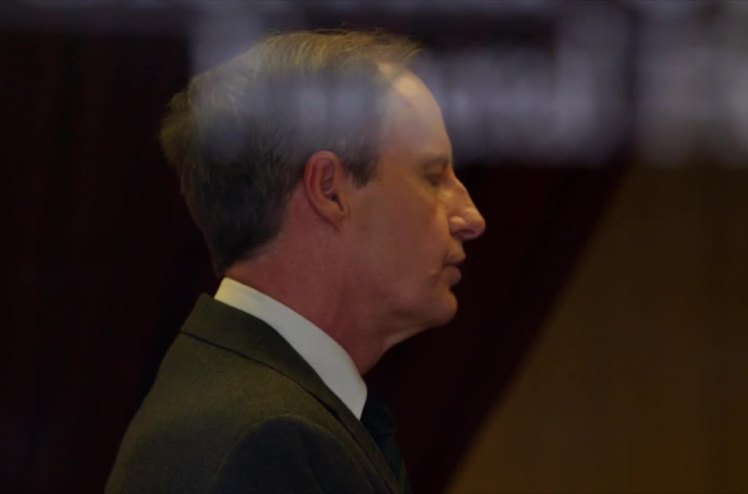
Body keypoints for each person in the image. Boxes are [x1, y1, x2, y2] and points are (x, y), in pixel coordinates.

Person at [106, 29, 485, 494]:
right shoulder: (261, 439)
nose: (472, 218)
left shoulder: (256, 410)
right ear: (329, 189)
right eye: (432, 177)